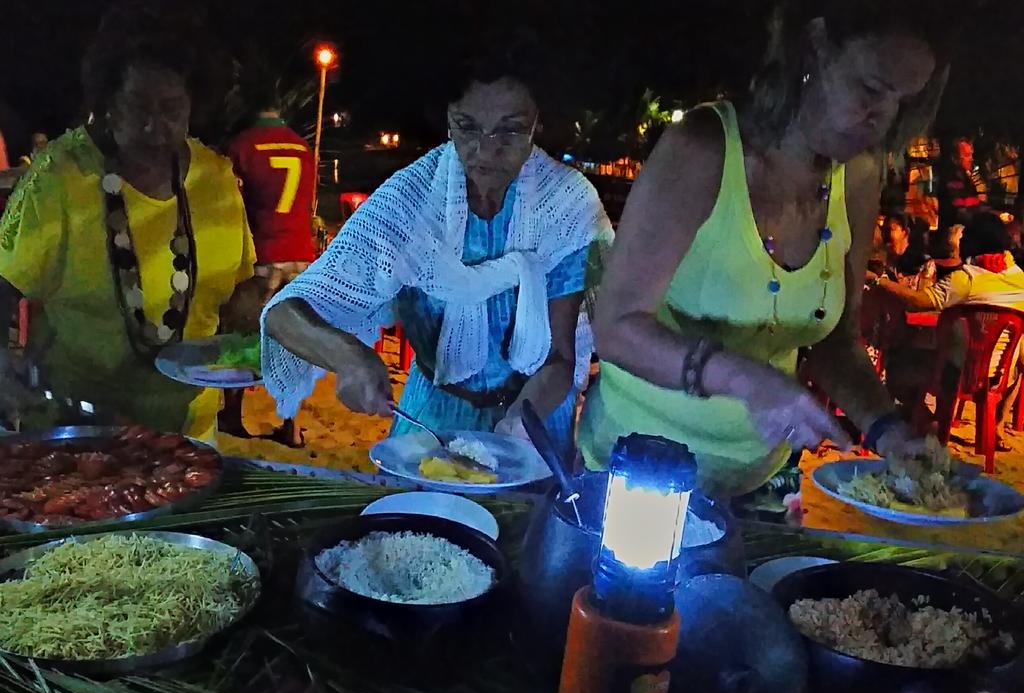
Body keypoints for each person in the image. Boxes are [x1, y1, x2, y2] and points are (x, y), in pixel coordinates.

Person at [579, 1, 946, 495]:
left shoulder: (859, 175)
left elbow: (835, 342)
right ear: (816, 45)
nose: (881, 118)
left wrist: (886, 428)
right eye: (871, 88)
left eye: (902, 100)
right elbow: (616, 328)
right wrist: (747, 381)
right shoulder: (704, 150)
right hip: (635, 468)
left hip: (764, 478)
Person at [262, 38, 613, 456]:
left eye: (511, 129)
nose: (486, 151)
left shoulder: (567, 204)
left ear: (539, 120)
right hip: (428, 423)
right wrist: (349, 357)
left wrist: (517, 426)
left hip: (533, 422)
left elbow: (559, 358)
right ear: (446, 116)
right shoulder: (411, 199)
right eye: (467, 127)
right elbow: (284, 313)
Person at [0, 0, 258, 438]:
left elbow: (240, 288)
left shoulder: (214, 178)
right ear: (108, 103)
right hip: (81, 429)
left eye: (171, 108)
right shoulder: (60, 177)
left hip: (191, 432)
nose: (154, 127)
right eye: (138, 107)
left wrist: (254, 329)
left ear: (194, 104)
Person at [873, 212, 1024, 446]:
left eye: (965, 237)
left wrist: (877, 281)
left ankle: (928, 422)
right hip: (999, 378)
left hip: (954, 373)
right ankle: (996, 425)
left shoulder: (967, 279)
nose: (960, 242)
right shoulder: (1019, 278)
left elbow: (919, 301)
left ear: (976, 242)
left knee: (897, 366)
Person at [227, 79, 316, 299]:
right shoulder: (302, 147)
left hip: (263, 261)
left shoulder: (241, 145)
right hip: (302, 259)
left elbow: (232, 208)